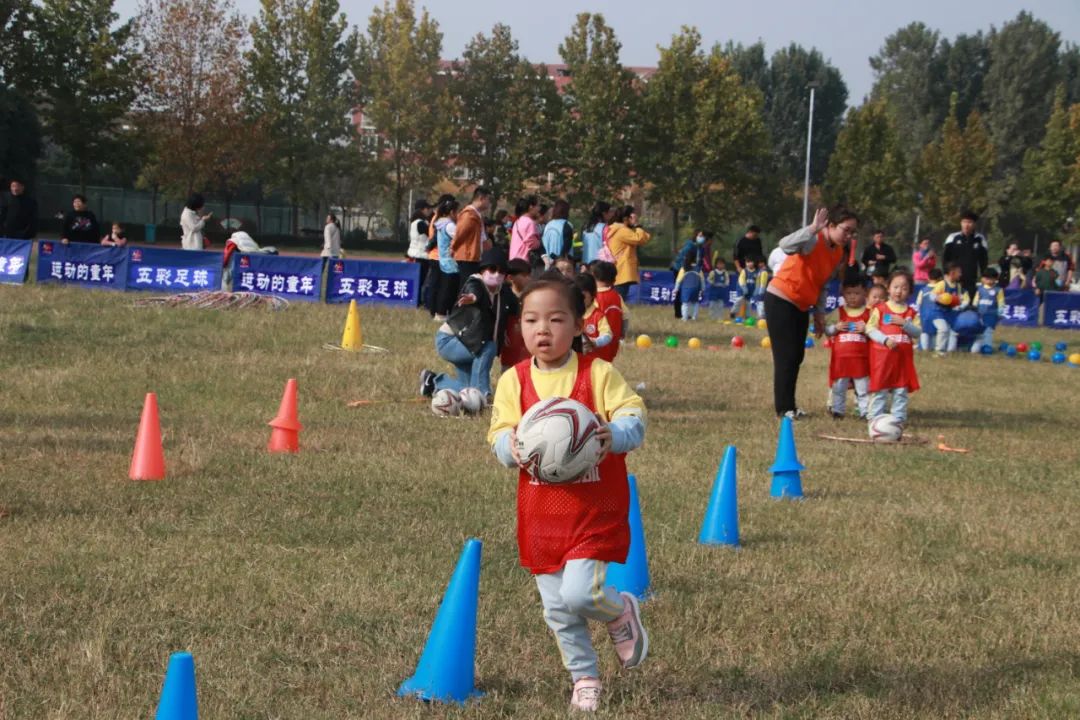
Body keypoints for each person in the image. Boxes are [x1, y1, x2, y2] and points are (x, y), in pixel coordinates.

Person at [486, 278, 648, 712]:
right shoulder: (512, 382)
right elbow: (499, 434)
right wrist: (511, 448)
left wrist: (615, 434)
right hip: (541, 516)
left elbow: (635, 416)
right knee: (557, 608)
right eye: (532, 320)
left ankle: (617, 611)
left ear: (578, 326)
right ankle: (584, 677)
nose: (543, 330)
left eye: (556, 320)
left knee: (580, 594)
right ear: (520, 327)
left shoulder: (598, 374)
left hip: (595, 510)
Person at [765, 205, 858, 419]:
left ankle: (790, 406)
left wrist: (819, 314)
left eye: (853, 232)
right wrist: (812, 228)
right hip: (781, 299)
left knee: (797, 356)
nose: (849, 236)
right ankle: (784, 409)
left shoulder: (837, 252)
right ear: (831, 225)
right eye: (846, 230)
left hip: (801, 305)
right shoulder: (813, 239)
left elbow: (822, 284)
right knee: (786, 356)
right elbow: (785, 245)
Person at [420, 248, 516, 401]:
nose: (496, 274)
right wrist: (472, 297)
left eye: (501, 271)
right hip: (450, 341)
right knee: (489, 347)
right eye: (492, 269)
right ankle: (483, 393)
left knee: (466, 389)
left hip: (471, 343)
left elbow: (517, 309)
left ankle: (433, 381)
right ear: (483, 269)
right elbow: (475, 293)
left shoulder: (504, 292)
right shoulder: (475, 283)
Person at [866, 269, 921, 423]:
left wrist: (905, 324)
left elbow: (917, 332)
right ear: (888, 288)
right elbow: (870, 329)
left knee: (901, 389)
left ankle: (898, 419)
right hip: (882, 359)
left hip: (902, 360)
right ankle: (874, 418)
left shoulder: (911, 313)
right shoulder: (881, 309)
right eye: (896, 287)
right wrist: (884, 340)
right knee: (880, 388)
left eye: (904, 288)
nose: (899, 291)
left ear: (909, 291)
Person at [825, 271, 871, 419]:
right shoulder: (838, 312)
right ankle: (838, 411)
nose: (852, 296)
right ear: (843, 293)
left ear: (865, 292)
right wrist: (835, 328)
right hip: (841, 359)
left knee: (863, 388)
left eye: (857, 293)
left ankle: (865, 412)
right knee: (839, 386)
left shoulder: (870, 313)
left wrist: (866, 330)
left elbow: (876, 333)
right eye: (849, 293)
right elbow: (827, 330)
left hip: (861, 359)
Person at [606, 206, 651, 300]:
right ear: (626, 218)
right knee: (619, 300)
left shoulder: (619, 229)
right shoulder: (622, 230)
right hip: (622, 270)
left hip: (618, 268)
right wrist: (637, 225)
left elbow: (645, 237)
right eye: (633, 216)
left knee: (618, 299)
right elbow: (640, 239)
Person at [942, 210, 988, 299]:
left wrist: (984, 276)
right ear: (961, 223)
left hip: (971, 278)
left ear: (974, 224)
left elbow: (984, 261)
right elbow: (945, 258)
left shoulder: (980, 239)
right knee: (951, 302)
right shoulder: (952, 238)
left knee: (969, 303)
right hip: (953, 278)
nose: (966, 225)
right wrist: (946, 273)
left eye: (969, 222)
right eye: (964, 222)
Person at [588, 260, 626, 362]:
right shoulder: (617, 296)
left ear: (593, 275)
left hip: (594, 341)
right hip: (613, 343)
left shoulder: (591, 297)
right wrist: (622, 333)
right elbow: (626, 317)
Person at [499, 259, 533, 372]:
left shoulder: (532, 296)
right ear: (510, 278)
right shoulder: (503, 296)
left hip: (528, 344)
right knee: (509, 369)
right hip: (509, 342)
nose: (528, 278)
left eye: (529, 275)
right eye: (524, 275)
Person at [453, 187, 492, 281]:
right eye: (488, 199)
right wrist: (452, 248)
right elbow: (459, 235)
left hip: (474, 256)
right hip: (467, 257)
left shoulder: (477, 214)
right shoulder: (468, 215)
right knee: (467, 285)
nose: (489, 203)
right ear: (481, 198)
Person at [432, 198, 461, 320]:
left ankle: (440, 312)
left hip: (443, 260)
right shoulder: (449, 225)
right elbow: (461, 236)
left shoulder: (440, 223)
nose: (458, 215)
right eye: (457, 212)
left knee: (444, 288)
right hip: (451, 262)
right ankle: (442, 313)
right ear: (451, 212)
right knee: (449, 289)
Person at [928, 262, 964, 355]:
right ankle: (939, 351)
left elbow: (959, 298)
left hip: (950, 313)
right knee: (943, 329)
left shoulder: (958, 286)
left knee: (954, 331)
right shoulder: (942, 284)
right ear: (952, 273)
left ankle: (950, 350)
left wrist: (958, 302)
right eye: (959, 272)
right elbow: (931, 295)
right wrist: (939, 298)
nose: (961, 274)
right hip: (938, 313)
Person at [576, 273, 614, 358]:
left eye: (583, 296)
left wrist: (595, 342)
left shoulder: (598, 316)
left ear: (592, 294)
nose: (578, 299)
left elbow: (607, 335)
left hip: (592, 361)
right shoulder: (570, 314)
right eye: (576, 295)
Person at [406, 199, 434, 304]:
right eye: (428, 209)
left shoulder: (415, 222)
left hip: (415, 254)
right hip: (421, 255)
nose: (429, 211)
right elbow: (431, 234)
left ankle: (416, 301)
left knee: (418, 280)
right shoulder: (421, 223)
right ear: (422, 210)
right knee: (420, 281)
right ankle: (417, 301)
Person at [972, 268, 1004, 353]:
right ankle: (977, 346)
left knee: (988, 330)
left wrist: (1000, 312)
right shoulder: (980, 289)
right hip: (980, 314)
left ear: (995, 279)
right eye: (987, 279)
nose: (990, 281)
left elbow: (1001, 302)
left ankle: (987, 346)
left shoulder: (998, 290)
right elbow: (976, 300)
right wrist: (974, 309)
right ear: (983, 279)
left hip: (991, 315)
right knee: (979, 331)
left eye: (992, 279)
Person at [916, 268, 944, 351]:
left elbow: (918, 303)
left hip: (925, 315)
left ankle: (924, 350)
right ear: (940, 279)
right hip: (937, 315)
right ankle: (936, 349)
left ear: (928, 278)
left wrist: (919, 314)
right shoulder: (942, 289)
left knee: (925, 332)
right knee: (937, 333)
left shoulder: (923, 290)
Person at [509, 195, 542, 267]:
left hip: (514, 258)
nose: (539, 209)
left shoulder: (518, 221)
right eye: (538, 206)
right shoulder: (530, 222)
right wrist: (540, 242)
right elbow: (532, 244)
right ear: (531, 207)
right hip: (523, 261)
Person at [732, 256, 767, 320]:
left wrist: (756, 289)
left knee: (748, 303)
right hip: (742, 289)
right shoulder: (744, 271)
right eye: (747, 262)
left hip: (750, 290)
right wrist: (743, 287)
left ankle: (747, 316)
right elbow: (741, 279)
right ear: (745, 263)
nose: (749, 263)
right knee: (739, 299)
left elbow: (758, 282)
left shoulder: (757, 272)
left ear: (754, 263)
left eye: (751, 262)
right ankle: (733, 312)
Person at [674, 252, 705, 321]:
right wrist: (703, 290)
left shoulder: (684, 269)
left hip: (686, 289)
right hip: (696, 289)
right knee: (695, 303)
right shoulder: (698, 269)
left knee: (685, 304)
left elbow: (678, 281)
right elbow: (702, 280)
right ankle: (694, 317)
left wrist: (676, 289)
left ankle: (684, 317)